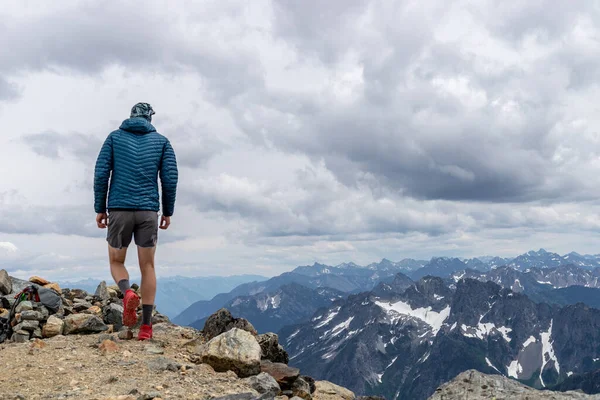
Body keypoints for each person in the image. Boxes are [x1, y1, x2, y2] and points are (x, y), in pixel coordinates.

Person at [93, 102, 178, 340]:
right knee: (148, 266)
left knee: (116, 260)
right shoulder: (162, 142)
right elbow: (169, 179)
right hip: (148, 210)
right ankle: (146, 328)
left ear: (130, 116)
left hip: (119, 208)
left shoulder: (113, 138)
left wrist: (100, 208)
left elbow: (101, 174)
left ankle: (127, 292)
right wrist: (167, 211)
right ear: (150, 118)